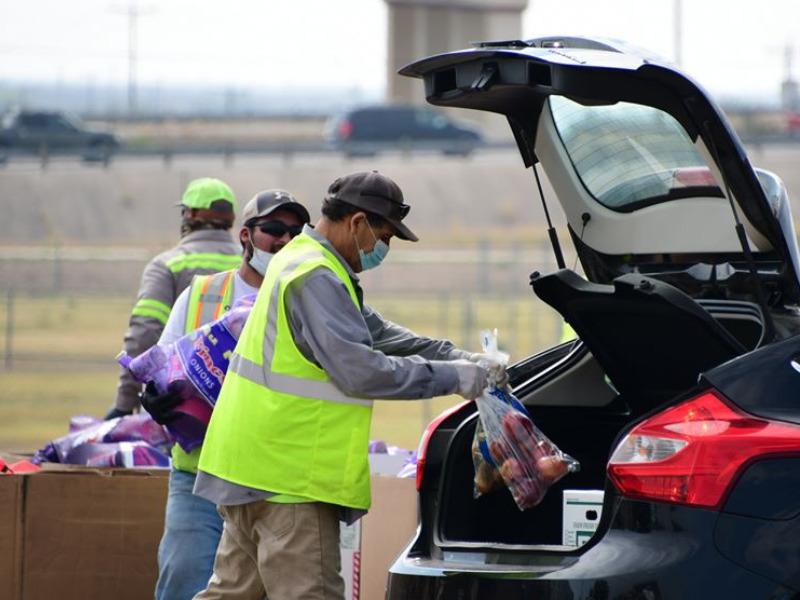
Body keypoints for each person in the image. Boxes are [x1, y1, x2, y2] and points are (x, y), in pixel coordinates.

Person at [192, 170, 507, 600]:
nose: (383, 249)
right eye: (384, 237)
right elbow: (362, 371)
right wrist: (457, 378)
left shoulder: (304, 259)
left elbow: (380, 333)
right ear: (357, 223)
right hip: (291, 482)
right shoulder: (318, 276)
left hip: (250, 470)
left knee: (231, 594)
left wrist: (457, 355)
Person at [141, 190, 311, 600]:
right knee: (184, 577)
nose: (285, 239)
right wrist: (154, 396)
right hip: (200, 474)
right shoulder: (202, 293)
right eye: (273, 229)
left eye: (295, 231)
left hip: (271, 479)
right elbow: (162, 362)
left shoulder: (308, 299)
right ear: (246, 236)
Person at [105, 178, 242, 419]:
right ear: (230, 219)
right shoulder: (249, 265)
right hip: (240, 396)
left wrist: (126, 402)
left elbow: (145, 333)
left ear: (189, 214)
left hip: (179, 403)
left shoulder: (167, 265)